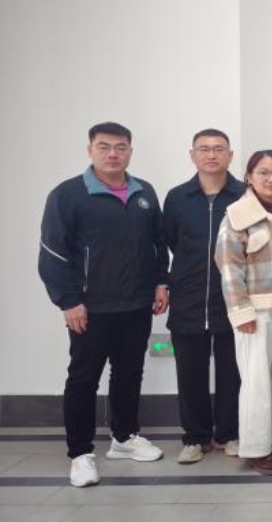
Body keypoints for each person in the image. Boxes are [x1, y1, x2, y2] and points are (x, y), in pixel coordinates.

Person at [38, 122, 169, 488]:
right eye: (104, 147)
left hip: (137, 304)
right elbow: (52, 253)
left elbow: (158, 243)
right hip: (89, 307)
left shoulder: (144, 192)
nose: (113, 154)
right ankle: (80, 454)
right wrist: (69, 301)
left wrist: (160, 282)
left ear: (130, 151)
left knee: (129, 373)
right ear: (90, 150)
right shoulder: (68, 194)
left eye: (121, 147)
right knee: (83, 379)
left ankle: (124, 438)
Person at [215, 150, 272, 476]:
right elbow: (229, 268)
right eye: (263, 173)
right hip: (256, 312)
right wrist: (241, 312)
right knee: (256, 381)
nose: (271, 179)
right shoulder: (237, 215)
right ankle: (257, 448)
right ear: (249, 177)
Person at [164, 128, 244, 464]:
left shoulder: (245, 195)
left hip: (233, 298)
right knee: (189, 373)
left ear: (230, 155)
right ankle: (195, 437)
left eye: (219, 149)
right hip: (188, 296)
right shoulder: (177, 197)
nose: (211, 155)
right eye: (204, 149)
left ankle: (228, 433)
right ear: (193, 155)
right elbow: (169, 241)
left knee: (232, 372)